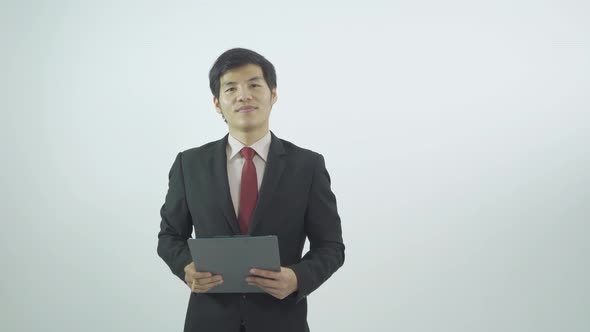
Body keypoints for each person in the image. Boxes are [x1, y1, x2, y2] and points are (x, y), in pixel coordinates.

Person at [157, 48, 345, 332]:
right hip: (208, 321)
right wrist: (186, 267)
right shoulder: (189, 164)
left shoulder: (308, 166)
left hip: (282, 321)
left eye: (254, 85)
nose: (244, 95)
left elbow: (331, 246)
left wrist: (297, 278)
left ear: (274, 94)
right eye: (231, 88)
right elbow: (170, 236)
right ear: (217, 103)